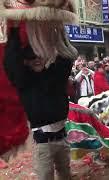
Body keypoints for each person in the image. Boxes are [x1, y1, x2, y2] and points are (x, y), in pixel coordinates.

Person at [4, 26, 72, 180]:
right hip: (43, 143)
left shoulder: (54, 76)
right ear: (25, 62)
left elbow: (66, 58)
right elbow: (11, 63)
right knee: (45, 176)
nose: (36, 60)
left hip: (62, 137)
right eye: (31, 58)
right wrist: (13, 31)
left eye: (38, 56)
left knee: (66, 174)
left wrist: (59, 29)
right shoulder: (24, 82)